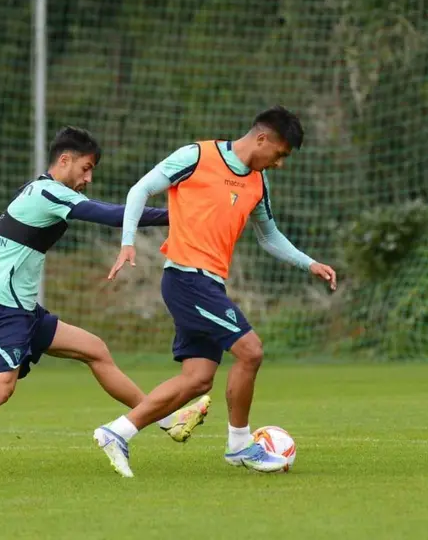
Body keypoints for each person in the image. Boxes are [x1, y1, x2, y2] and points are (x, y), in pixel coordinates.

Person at [0, 127, 211, 481]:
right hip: (2, 309)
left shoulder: (40, 191)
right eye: (86, 168)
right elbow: (108, 214)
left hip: (24, 310)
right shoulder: (48, 193)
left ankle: (170, 421)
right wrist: (179, 214)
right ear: (65, 160)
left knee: (95, 350)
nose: (88, 178)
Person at [96, 106, 337, 478]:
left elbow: (268, 236)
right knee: (251, 351)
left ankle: (117, 432)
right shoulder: (196, 156)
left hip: (208, 283)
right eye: (280, 154)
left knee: (197, 379)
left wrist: (309, 263)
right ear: (262, 139)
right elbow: (140, 189)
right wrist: (128, 242)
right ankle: (240, 446)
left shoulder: (258, 183)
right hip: (186, 279)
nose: (279, 164)